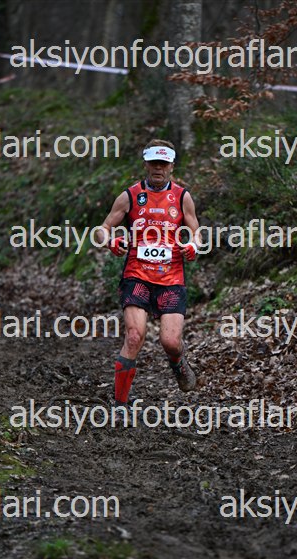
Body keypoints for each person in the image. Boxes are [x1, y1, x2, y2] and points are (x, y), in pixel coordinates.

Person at [96, 139, 201, 411]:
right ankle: (120, 405)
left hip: (171, 278)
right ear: (146, 164)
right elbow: (102, 228)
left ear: (171, 166)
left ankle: (178, 362)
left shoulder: (182, 197)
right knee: (134, 337)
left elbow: (197, 233)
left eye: (163, 164)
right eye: (154, 163)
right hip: (137, 275)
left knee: (170, 342)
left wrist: (193, 246)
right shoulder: (130, 196)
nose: (158, 168)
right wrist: (110, 241)